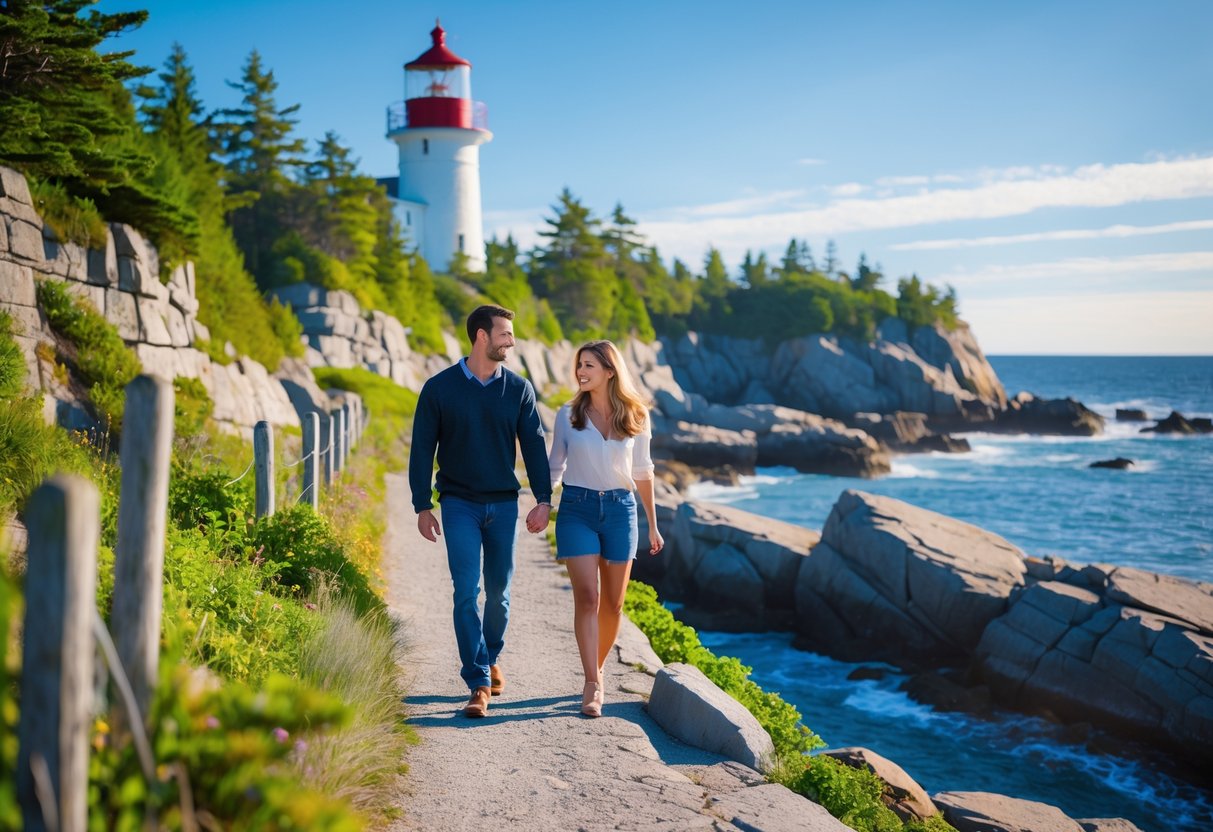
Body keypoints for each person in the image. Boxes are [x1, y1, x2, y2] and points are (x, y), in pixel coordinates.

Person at [409, 304, 552, 718]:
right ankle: (477, 682)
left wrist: (543, 500)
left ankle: (490, 656)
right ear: (481, 337)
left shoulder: (519, 389)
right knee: (465, 591)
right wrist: (422, 504)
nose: (511, 341)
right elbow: (422, 450)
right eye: (505, 334)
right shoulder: (439, 389)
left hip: (504, 505)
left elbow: (534, 447)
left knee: (500, 596)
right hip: (458, 504)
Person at [548, 340, 663, 718]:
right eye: (579, 365)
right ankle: (592, 683)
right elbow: (555, 467)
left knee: (613, 603)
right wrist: (541, 503)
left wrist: (653, 525)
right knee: (588, 596)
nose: (581, 371)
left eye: (589, 366)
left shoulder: (636, 415)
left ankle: (596, 668)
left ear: (610, 371)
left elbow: (643, 472)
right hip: (577, 509)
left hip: (620, 511)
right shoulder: (567, 415)